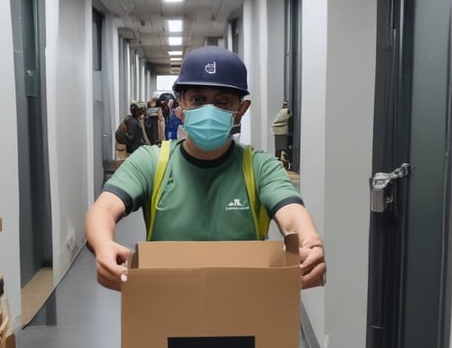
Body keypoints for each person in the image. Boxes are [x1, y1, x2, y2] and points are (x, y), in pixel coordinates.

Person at [85, 46, 326, 291]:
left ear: (240, 111)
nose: (209, 110)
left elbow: (292, 213)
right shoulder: (152, 162)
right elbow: (103, 208)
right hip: (166, 307)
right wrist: (104, 245)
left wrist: (310, 242)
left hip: (244, 310)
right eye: (198, 100)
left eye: (223, 102)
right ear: (181, 104)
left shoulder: (259, 167)